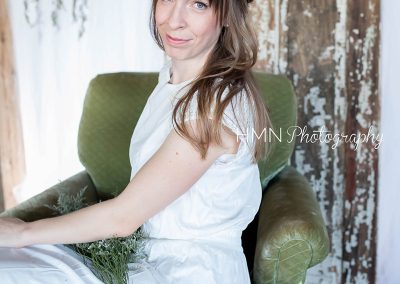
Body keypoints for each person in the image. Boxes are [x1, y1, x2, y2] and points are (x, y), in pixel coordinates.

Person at [0, 0, 273, 283]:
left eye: (199, 4)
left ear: (229, 15)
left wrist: (22, 232)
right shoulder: (174, 79)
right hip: (143, 258)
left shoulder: (211, 111)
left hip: (188, 271)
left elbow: (123, 218)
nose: (175, 20)